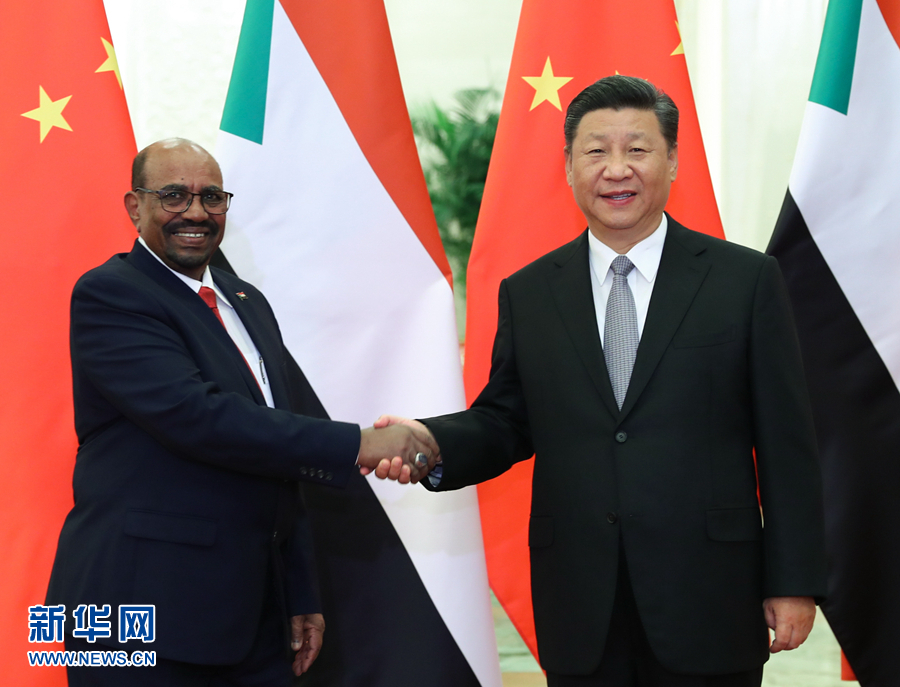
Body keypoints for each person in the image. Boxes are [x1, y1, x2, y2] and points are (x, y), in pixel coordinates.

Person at [376, 76, 827, 686]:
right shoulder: (531, 292)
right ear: (568, 166)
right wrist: (430, 441)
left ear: (672, 161)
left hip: (709, 596)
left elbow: (787, 445)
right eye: (596, 151)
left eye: (637, 149)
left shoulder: (743, 282)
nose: (617, 169)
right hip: (581, 603)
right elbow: (506, 420)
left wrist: (794, 581)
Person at [45, 138, 437, 686]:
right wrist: (360, 443)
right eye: (174, 195)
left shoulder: (246, 301)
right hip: (136, 612)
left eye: (212, 197)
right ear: (135, 206)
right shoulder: (109, 294)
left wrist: (299, 591)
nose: (196, 212)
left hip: (251, 613)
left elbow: (276, 462)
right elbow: (201, 419)